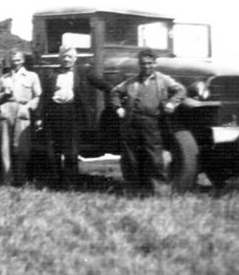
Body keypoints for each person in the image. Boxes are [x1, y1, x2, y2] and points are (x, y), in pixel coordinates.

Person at [110, 48, 186, 196]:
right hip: (132, 123)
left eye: (150, 63)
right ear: (139, 64)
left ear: (155, 64)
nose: (147, 66)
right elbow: (115, 92)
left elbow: (181, 90)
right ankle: (134, 192)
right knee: (132, 159)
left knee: (154, 158)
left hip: (153, 123)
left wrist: (172, 103)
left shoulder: (162, 80)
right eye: (143, 64)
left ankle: (160, 192)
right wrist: (118, 108)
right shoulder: (132, 82)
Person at [40, 46, 111, 189]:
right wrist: (39, 117)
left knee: (71, 151)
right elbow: (45, 97)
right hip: (54, 113)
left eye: (70, 57)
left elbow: (100, 83)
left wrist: (115, 91)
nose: (66, 59)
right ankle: (56, 183)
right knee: (53, 151)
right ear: (60, 58)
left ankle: (70, 183)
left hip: (72, 113)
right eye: (64, 56)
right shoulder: (52, 74)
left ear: (75, 59)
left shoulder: (83, 72)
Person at [0, 50, 41, 185]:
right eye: (13, 60)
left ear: (23, 60)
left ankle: (20, 179)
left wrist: (28, 107)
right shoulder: (4, 78)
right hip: (6, 110)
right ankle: (7, 179)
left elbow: (37, 96)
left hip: (22, 110)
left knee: (22, 146)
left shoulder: (32, 76)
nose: (15, 63)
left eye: (18, 60)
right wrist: (3, 95)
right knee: (5, 147)